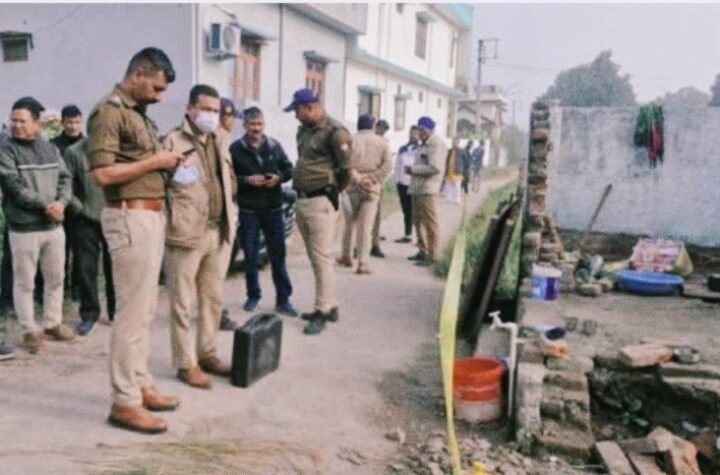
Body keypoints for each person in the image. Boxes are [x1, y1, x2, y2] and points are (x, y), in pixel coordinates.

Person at [87, 47, 184, 434]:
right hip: (129, 216)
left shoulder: (138, 114)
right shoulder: (109, 112)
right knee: (130, 314)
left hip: (149, 214)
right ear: (139, 74)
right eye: (157, 88)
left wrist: (167, 163)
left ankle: (141, 384)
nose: (160, 96)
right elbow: (101, 174)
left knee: (144, 311)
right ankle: (124, 401)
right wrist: (156, 162)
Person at [163, 84, 238, 390]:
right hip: (185, 234)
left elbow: (228, 179)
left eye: (215, 110)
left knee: (212, 298)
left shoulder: (221, 138)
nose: (211, 115)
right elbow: (160, 189)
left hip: (218, 231)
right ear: (189, 109)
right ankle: (186, 363)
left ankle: (207, 353)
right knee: (182, 302)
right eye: (205, 109)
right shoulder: (172, 141)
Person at [0, 96, 75, 354]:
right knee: (25, 282)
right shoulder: (6, 150)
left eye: (22, 121)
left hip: (53, 227)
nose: (16, 125)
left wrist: (62, 203)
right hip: (24, 229)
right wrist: (47, 205)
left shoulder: (50, 149)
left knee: (56, 278)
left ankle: (53, 323)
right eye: (14, 120)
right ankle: (29, 329)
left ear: (36, 123)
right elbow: (13, 187)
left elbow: (65, 178)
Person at [284, 88, 352, 335]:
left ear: (310, 107)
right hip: (303, 198)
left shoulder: (335, 132)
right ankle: (329, 304)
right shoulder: (304, 130)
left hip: (321, 199)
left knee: (322, 257)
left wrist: (333, 191)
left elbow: (346, 169)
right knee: (316, 257)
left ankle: (322, 311)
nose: (296, 116)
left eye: (297, 111)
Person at [230, 107, 297, 317]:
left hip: (273, 208)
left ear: (264, 125)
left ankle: (283, 299)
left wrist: (279, 178)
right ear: (245, 126)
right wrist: (246, 180)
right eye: (252, 124)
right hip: (249, 210)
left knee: (278, 255)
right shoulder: (235, 149)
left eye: (259, 124)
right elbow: (229, 178)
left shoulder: (274, 146)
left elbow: (288, 170)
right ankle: (253, 295)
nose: (256, 129)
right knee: (250, 255)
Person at [64, 138, 115, 336]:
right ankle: (89, 314)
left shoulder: (116, 149)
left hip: (113, 217)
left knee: (115, 268)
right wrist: (79, 208)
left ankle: (116, 312)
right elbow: (65, 183)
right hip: (85, 220)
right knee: (86, 268)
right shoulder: (74, 152)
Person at [338, 114, 392, 274]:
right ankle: (363, 262)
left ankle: (346, 255)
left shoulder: (350, 141)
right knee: (366, 227)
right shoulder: (382, 143)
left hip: (352, 186)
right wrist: (372, 178)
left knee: (349, 223)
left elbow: (344, 164)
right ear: (373, 126)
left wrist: (358, 178)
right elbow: (388, 165)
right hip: (372, 188)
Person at [52, 105, 85, 300]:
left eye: (76, 122)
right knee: (59, 251)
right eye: (69, 122)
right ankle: (60, 287)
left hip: (80, 204)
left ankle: (78, 289)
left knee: (80, 250)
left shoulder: (87, 145)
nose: (73, 126)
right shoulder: (53, 146)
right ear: (62, 123)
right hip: (59, 203)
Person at [406, 116, 446, 267]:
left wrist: (413, 170)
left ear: (430, 129)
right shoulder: (423, 144)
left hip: (428, 189)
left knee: (430, 222)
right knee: (418, 221)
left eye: (423, 130)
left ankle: (433, 254)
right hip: (418, 188)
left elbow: (435, 168)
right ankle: (422, 250)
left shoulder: (437, 144)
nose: (420, 132)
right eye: (419, 129)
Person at [393, 126, 421, 244]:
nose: (413, 136)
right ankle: (408, 234)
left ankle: (420, 237)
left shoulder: (421, 149)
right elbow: (397, 165)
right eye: (411, 133)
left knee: (416, 210)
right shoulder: (402, 149)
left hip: (415, 183)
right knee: (406, 209)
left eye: (415, 134)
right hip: (402, 183)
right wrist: (397, 180)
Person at [369, 118, 390, 258]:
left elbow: (386, 165)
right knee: (363, 217)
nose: (381, 131)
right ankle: (360, 246)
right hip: (368, 181)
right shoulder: (369, 140)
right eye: (380, 128)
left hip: (374, 181)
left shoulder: (384, 143)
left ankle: (374, 244)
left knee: (375, 216)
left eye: (383, 130)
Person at [443, 137, 465, 205]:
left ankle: (457, 200)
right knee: (448, 186)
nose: (453, 143)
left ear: (458, 143)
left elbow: (465, 161)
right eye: (453, 142)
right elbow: (446, 160)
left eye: (455, 142)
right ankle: (448, 199)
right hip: (449, 171)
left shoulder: (461, 151)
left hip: (457, 171)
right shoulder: (449, 151)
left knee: (457, 187)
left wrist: (462, 169)